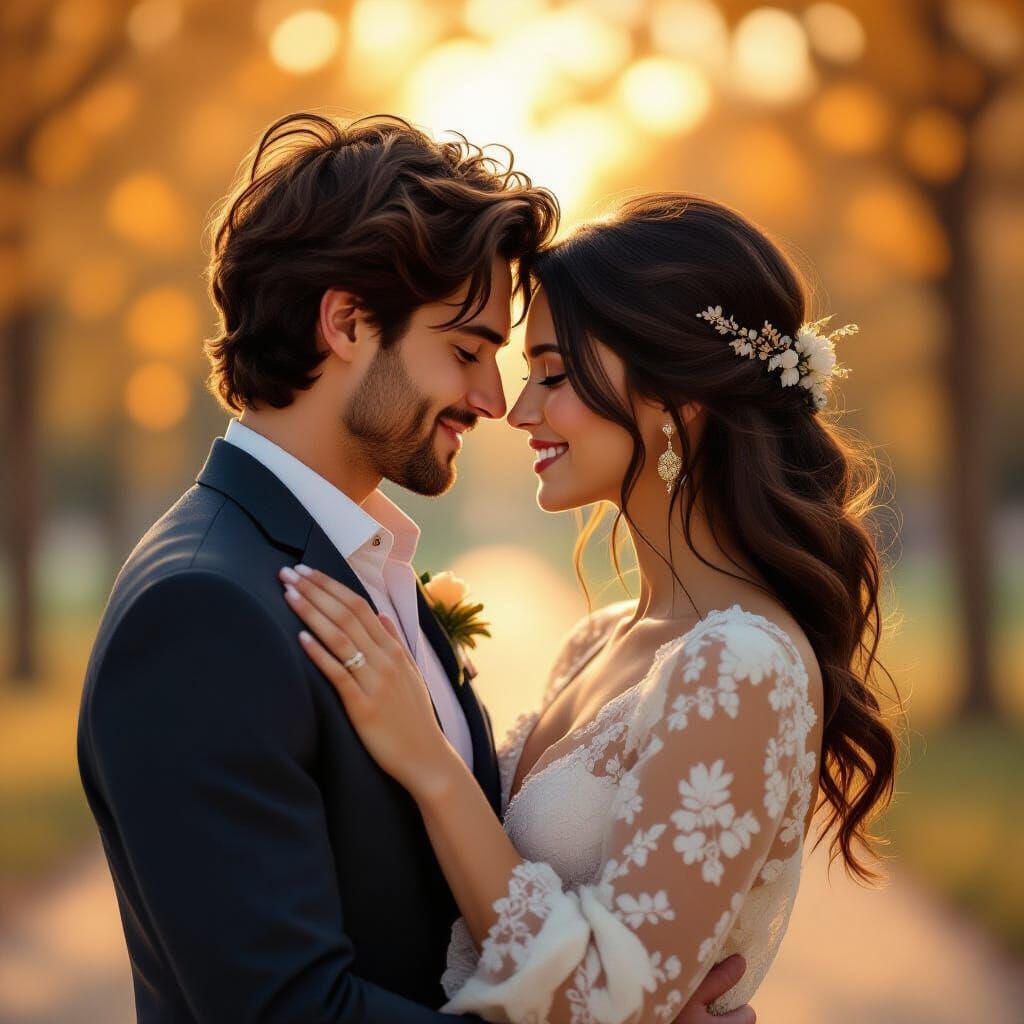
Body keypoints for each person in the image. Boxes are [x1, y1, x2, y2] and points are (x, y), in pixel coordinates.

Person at [77, 114, 752, 1023]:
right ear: (348, 322)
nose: (492, 399)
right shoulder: (203, 609)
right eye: (467, 351)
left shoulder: (364, 569)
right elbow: (285, 1009)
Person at [280, 194, 901, 1022]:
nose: (520, 409)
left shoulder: (743, 667)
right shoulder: (596, 641)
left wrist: (430, 763)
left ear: (678, 398)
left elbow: (609, 1000)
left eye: (555, 374)